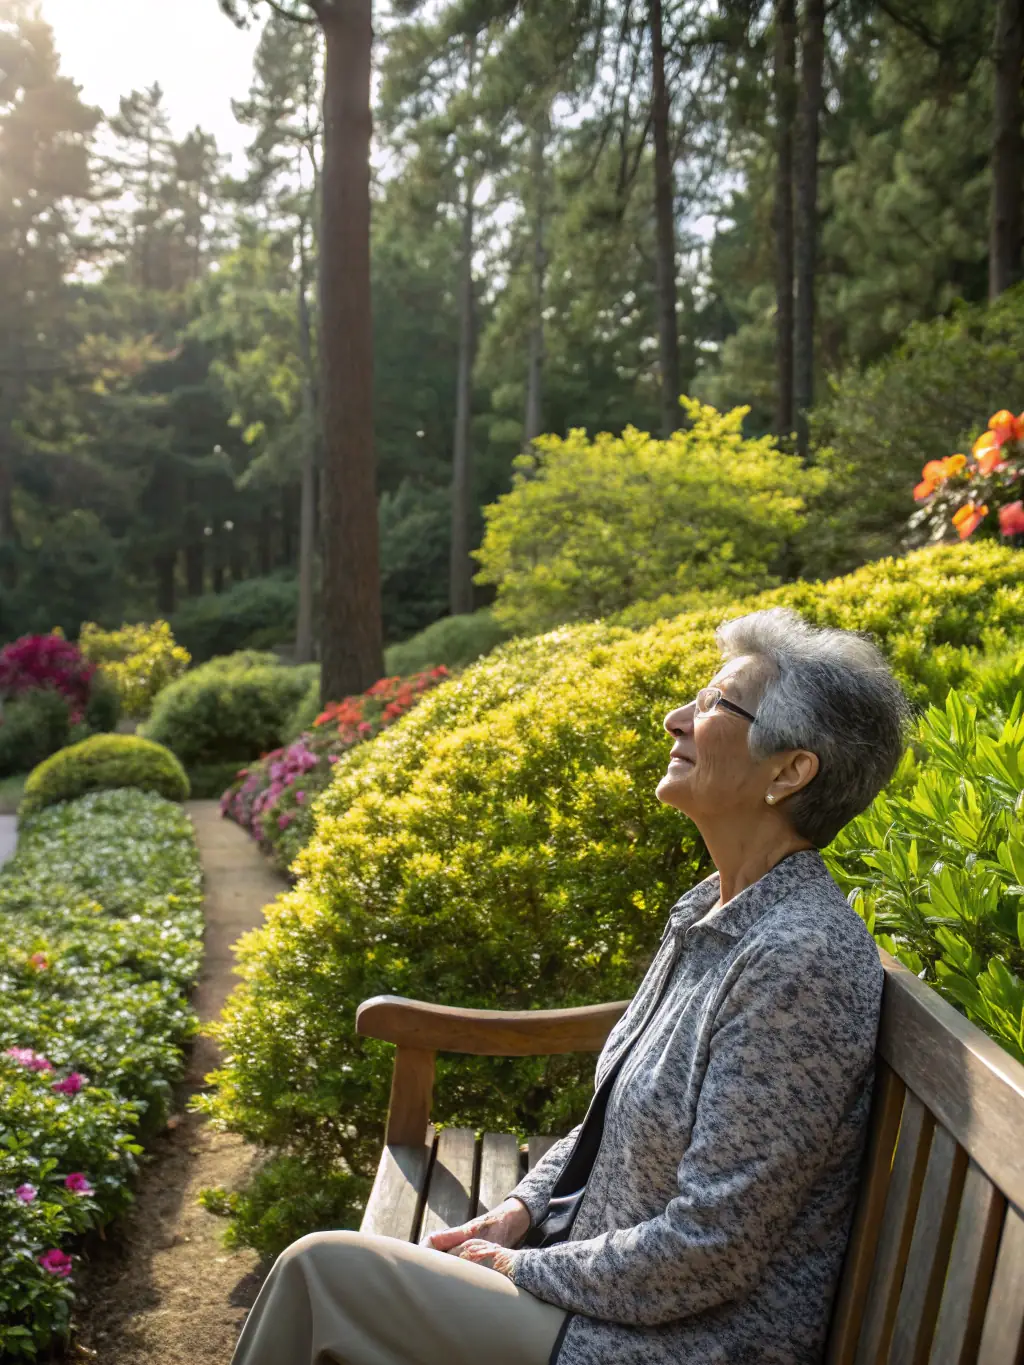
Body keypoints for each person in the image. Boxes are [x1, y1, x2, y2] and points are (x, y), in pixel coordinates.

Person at [229, 606, 912, 1365]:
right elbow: (608, 1122)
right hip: (605, 1293)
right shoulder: (713, 908)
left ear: (789, 771)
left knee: (323, 1275)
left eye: (716, 704)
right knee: (333, 1276)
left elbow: (712, 1250)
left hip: (675, 1344)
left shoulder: (798, 960)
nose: (675, 717)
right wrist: (520, 1211)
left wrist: (521, 1267)